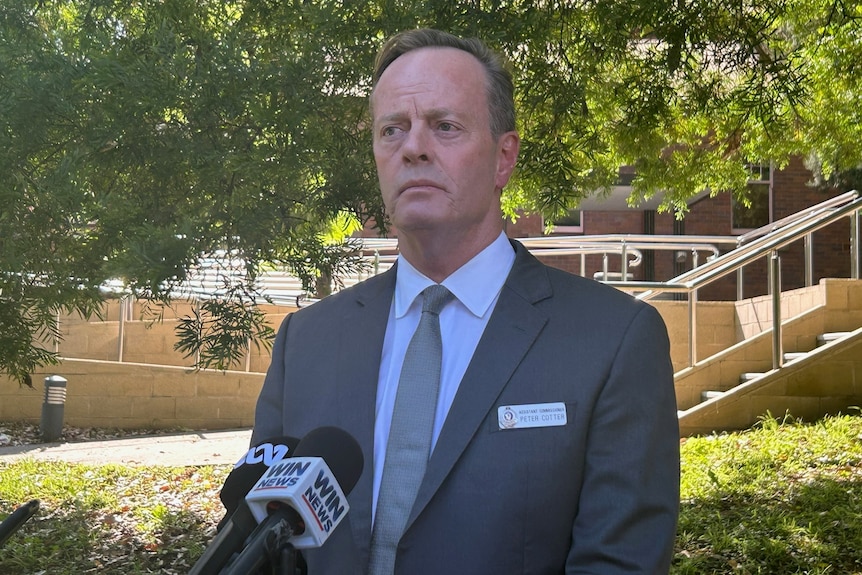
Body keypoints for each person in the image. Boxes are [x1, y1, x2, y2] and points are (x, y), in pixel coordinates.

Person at [252, 28, 680, 574]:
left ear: (504, 159)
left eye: (445, 126)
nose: (413, 147)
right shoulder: (305, 342)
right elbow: (260, 542)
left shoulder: (613, 341)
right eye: (393, 130)